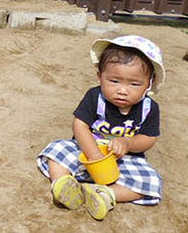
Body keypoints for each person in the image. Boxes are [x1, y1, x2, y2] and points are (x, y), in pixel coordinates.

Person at [36, 35, 165, 220]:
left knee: (151, 181)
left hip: (124, 160)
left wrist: (127, 143)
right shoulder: (95, 97)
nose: (122, 90)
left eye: (134, 84)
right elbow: (80, 125)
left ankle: (105, 194)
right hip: (85, 152)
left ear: (149, 83)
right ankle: (63, 183)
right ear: (100, 76)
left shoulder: (149, 108)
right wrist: (93, 153)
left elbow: (149, 138)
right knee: (55, 150)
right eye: (114, 81)